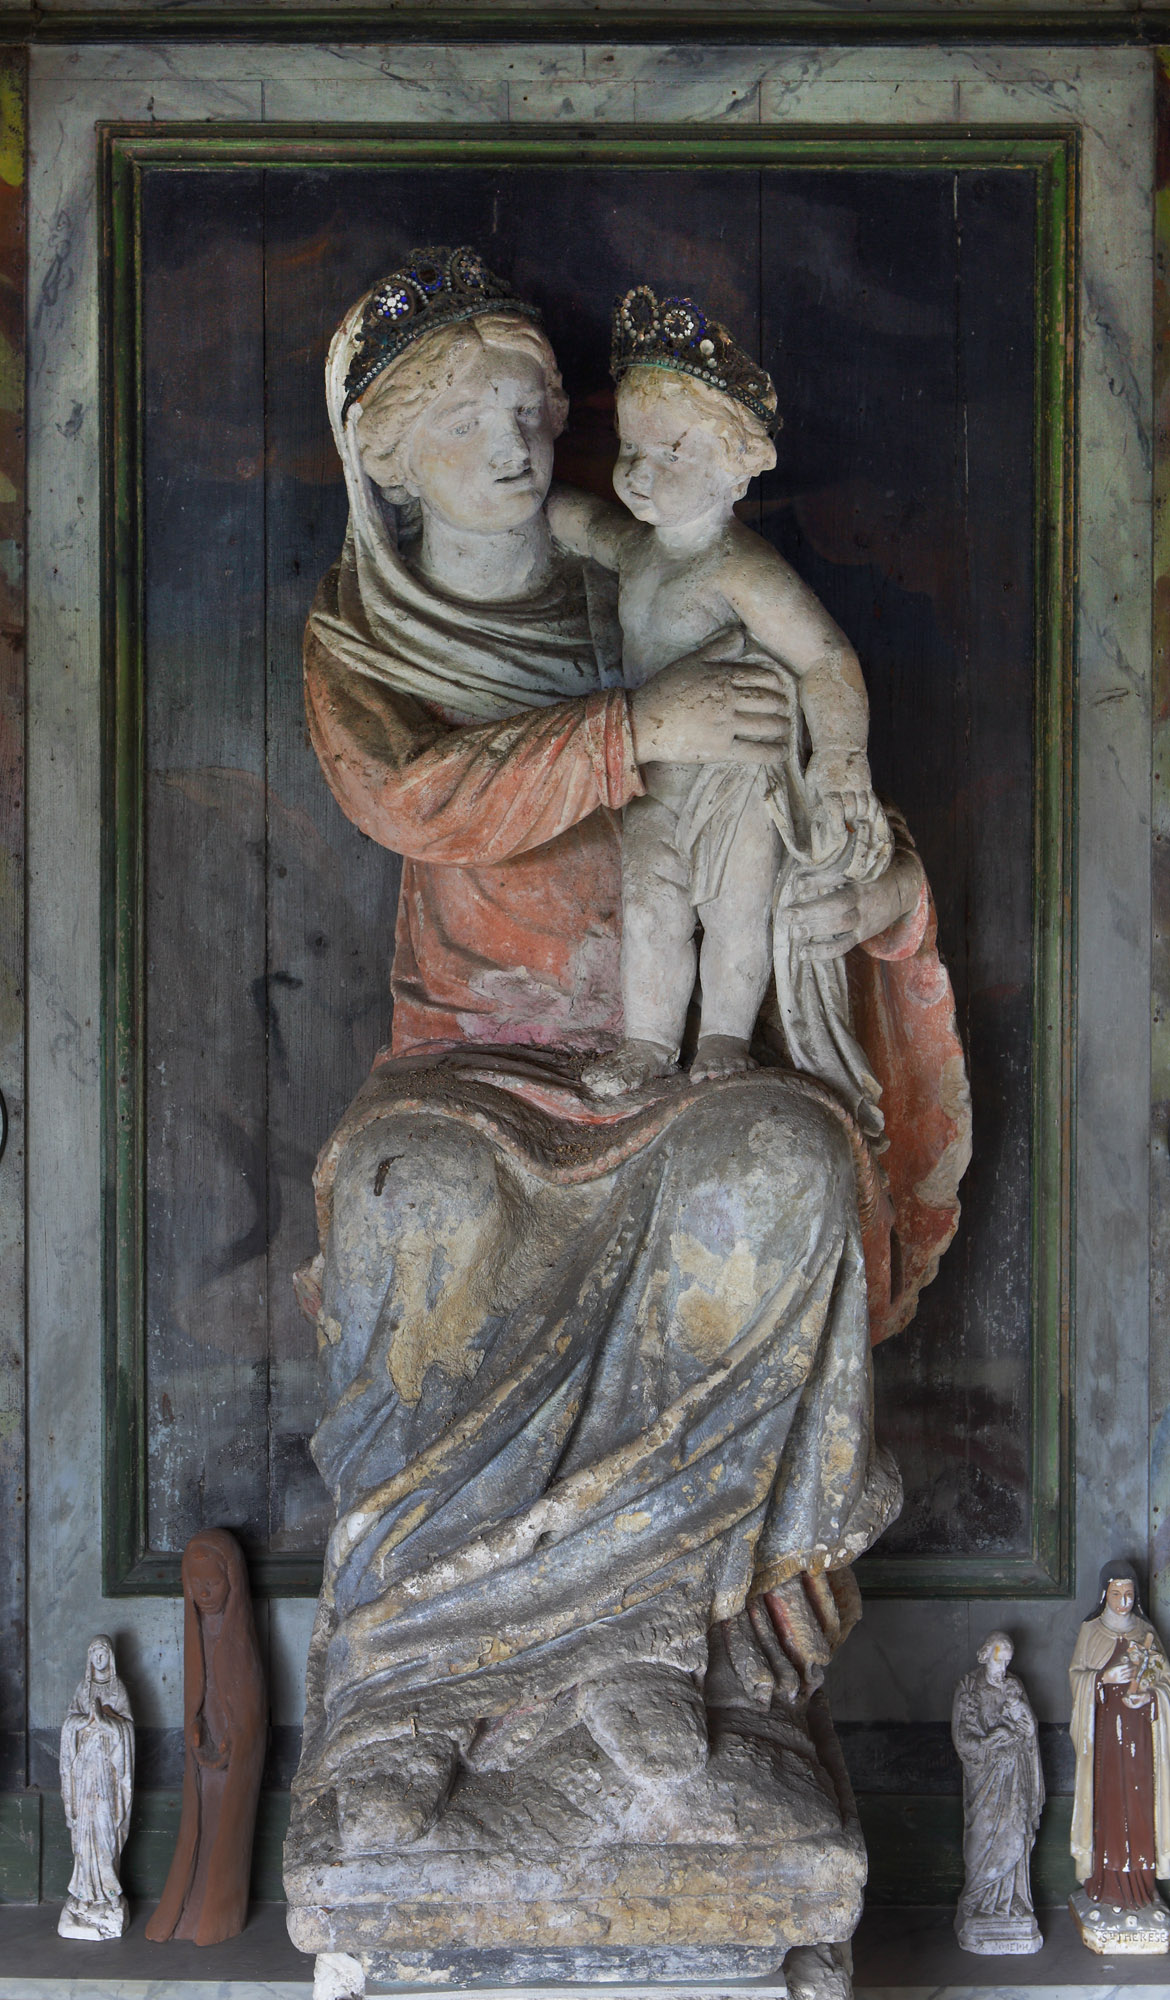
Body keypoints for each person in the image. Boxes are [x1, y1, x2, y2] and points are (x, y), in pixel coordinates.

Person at [285, 247, 966, 1869]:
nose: (520, 444)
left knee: (781, 1169)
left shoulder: (653, 579)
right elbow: (415, 798)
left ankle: (670, 1675)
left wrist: (872, 884)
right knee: (415, 1202)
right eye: (470, 420)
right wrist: (636, 731)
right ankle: (409, 1706)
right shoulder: (365, 641)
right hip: (475, 1065)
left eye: (534, 408)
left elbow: (807, 768)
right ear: (385, 457)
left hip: (668, 1055)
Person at [548, 286, 888, 1131]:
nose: (639, 471)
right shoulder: (641, 550)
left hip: (739, 785)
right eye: (630, 448)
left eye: (670, 452)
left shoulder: (742, 567)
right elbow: (589, 526)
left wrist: (840, 757)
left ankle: (727, 1038)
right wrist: (533, 503)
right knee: (650, 906)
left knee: (736, 914)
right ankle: (649, 1044)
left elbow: (826, 658)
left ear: (735, 464)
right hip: (657, 780)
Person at [146, 1530, 266, 1947]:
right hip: (204, 1764)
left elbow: (249, 1709)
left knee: (225, 1831)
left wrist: (234, 1739)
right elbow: (197, 1697)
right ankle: (182, 1911)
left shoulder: (241, 1642)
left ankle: (217, 1912)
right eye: (196, 1584)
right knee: (196, 1828)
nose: (204, 1592)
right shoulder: (196, 1635)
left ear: (232, 1579)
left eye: (213, 1582)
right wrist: (196, 1731)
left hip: (232, 1762)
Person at [1070, 1560, 1170, 1916]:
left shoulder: (1146, 1631)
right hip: (1106, 1740)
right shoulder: (1091, 1631)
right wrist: (1103, 1678)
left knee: (1140, 1804)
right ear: (1105, 1595)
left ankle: (1142, 1886)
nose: (1124, 1601)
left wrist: (1151, 1698)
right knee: (1110, 1803)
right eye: (1116, 1594)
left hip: (1140, 1737)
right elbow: (1076, 1677)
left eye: (1129, 1594)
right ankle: (1106, 1884)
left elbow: (1164, 1682)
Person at [951, 1631, 1044, 1951]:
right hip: (984, 1776)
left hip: (1014, 1775)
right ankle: (978, 1901)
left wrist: (1019, 1715)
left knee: (1014, 1834)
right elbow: (962, 1737)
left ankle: (1012, 1900)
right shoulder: (968, 1686)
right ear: (984, 1654)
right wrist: (991, 1741)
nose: (1003, 1667)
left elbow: (1030, 1730)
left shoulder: (1014, 1686)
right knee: (981, 1836)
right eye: (998, 1659)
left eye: (1007, 1661)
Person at [58, 1636, 135, 1939]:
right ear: (89, 1658)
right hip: (84, 1773)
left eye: (103, 1653)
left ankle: (109, 1893)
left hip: (107, 1773)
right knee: (84, 1831)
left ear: (110, 1657)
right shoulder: (83, 1688)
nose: (99, 1658)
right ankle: (83, 1894)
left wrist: (105, 1723)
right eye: (94, 1653)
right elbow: (69, 1723)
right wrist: (84, 1721)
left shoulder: (118, 1689)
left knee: (105, 1832)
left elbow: (127, 1728)